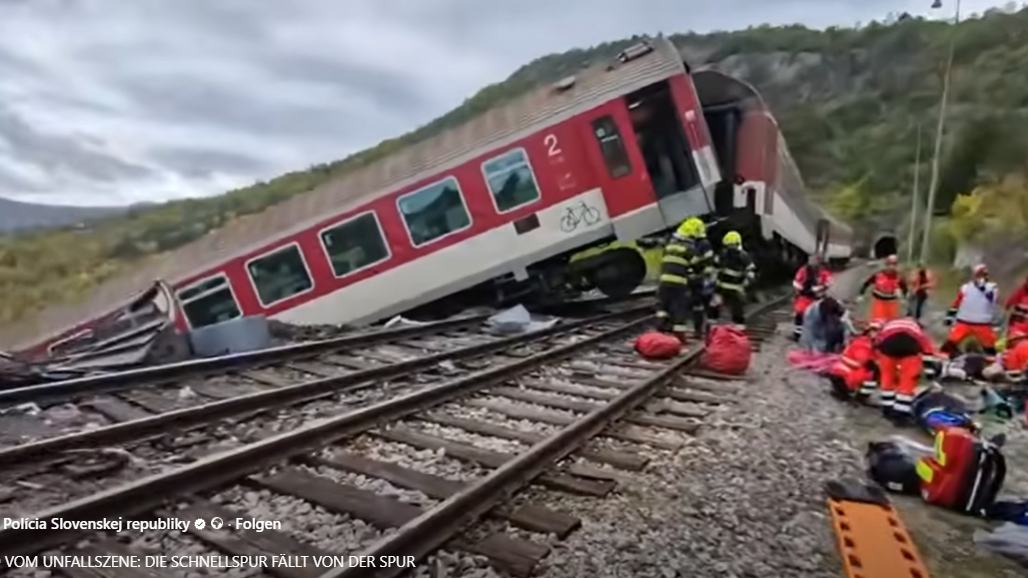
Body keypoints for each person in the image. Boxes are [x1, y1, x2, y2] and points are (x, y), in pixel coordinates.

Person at [873, 317, 937, 425]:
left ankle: (887, 409)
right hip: (909, 347)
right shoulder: (917, 330)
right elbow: (927, 352)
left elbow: (877, 342)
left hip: (887, 346)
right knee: (907, 382)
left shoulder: (889, 324)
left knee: (887, 378)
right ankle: (900, 416)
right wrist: (930, 372)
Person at [943, 264, 1000, 356]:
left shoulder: (992, 287)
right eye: (979, 275)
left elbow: (992, 299)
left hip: (982, 323)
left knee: (989, 347)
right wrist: (949, 316)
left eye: (983, 275)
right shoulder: (966, 288)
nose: (981, 277)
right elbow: (957, 303)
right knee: (950, 343)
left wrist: (983, 288)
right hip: (964, 321)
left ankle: (991, 361)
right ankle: (945, 358)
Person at [827, 320, 881, 402]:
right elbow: (861, 361)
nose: (878, 334)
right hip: (846, 373)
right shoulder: (864, 344)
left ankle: (855, 394)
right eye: (876, 331)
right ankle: (859, 396)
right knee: (874, 371)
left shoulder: (867, 343)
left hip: (844, 371)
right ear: (870, 331)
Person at [714, 230, 756, 325]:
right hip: (736, 290)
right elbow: (751, 273)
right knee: (738, 314)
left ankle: (714, 332)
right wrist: (745, 285)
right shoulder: (743, 256)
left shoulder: (722, 254)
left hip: (721, 289)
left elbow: (714, 270)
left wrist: (715, 286)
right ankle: (738, 334)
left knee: (715, 311)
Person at [792, 255, 832, 342]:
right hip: (804, 296)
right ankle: (798, 334)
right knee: (800, 314)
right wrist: (801, 288)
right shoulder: (803, 270)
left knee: (818, 316)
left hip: (817, 297)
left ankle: (814, 334)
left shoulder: (824, 272)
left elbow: (828, 282)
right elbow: (796, 282)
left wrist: (820, 288)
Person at [857, 255, 907, 321]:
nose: (892, 267)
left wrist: (903, 298)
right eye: (890, 264)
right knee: (877, 322)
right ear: (886, 265)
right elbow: (866, 284)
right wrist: (861, 295)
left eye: (894, 264)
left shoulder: (899, 277)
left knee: (890, 323)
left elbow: (904, 288)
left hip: (892, 303)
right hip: (879, 302)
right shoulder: (878, 275)